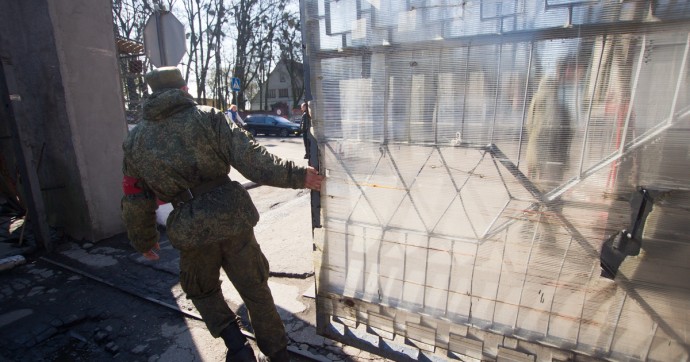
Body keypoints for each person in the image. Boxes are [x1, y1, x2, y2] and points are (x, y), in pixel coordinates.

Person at [121, 66, 324, 362]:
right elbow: (251, 159)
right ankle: (278, 354)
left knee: (202, 290)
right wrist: (297, 175)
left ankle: (236, 345)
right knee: (255, 288)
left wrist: (144, 239)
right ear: (184, 90)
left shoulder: (135, 139)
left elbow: (135, 195)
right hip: (233, 217)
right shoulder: (209, 117)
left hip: (190, 228)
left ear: (152, 94)